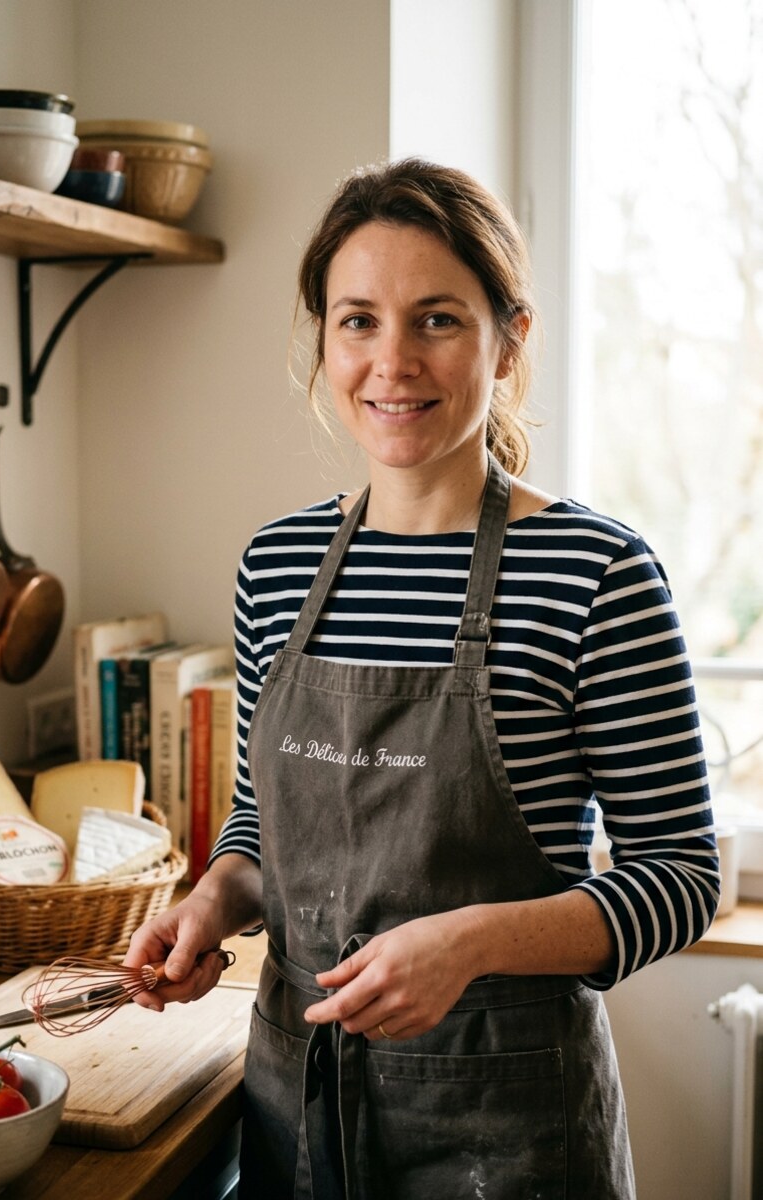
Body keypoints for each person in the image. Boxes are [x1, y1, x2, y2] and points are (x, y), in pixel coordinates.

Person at [124, 157, 720, 1199]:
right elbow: (269, 826)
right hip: (296, 1108)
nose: (391, 361)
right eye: (358, 320)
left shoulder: (595, 574)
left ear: (510, 337)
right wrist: (216, 897)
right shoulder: (278, 565)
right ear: (324, 337)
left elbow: (680, 876)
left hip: (511, 1130)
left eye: (437, 319)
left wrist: (472, 945)